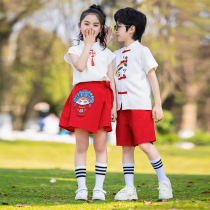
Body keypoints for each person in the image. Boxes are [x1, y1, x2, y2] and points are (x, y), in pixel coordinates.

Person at [106, 7, 173, 200]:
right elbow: (113, 82)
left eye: (118, 26)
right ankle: (129, 189)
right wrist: (113, 107)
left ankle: (164, 181)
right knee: (126, 147)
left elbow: (153, 77)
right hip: (122, 108)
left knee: (145, 144)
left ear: (132, 29)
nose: (115, 30)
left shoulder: (143, 52)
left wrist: (157, 104)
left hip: (140, 106)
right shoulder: (115, 55)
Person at [59, 4, 117, 201]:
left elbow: (111, 80)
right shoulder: (74, 49)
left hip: (102, 97)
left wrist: (114, 105)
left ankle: (99, 189)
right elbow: (81, 66)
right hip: (82, 97)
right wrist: (89, 44)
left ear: (101, 28)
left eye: (95, 24)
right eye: (86, 23)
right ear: (79, 25)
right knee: (81, 145)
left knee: (100, 145)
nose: (90, 27)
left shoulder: (107, 52)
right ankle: (82, 188)